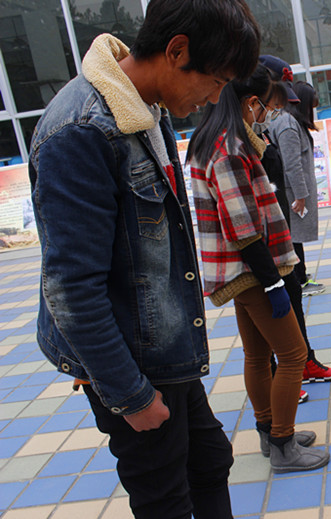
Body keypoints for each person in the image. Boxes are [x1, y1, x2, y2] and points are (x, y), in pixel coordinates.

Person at [27, 1, 259, 516]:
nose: (213, 98)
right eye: (216, 81)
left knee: (209, 461)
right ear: (177, 51)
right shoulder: (83, 131)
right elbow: (71, 287)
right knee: (163, 495)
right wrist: (130, 395)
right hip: (131, 359)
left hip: (162, 340)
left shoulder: (142, 107)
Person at [187, 62, 330, 473]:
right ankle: (284, 443)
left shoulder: (215, 141)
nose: (267, 113)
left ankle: (270, 432)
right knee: (293, 355)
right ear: (251, 103)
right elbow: (243, 228)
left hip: (242, 270)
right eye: (266, 105)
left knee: (257, 354)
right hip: (251, 270)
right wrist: (272, 284)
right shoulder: (228, 150)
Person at [254, 70, 331, 385]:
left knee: (288, 293)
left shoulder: (261, 129)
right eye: (269, 103)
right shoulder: (259, 132)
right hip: (272, 229)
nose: (272, 110)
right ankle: (290, 374)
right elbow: (289, 166)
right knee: (280, 301)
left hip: (274, 225)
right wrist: (300, 197)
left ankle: (297, 367)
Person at [261, 56, 325, 297]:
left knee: (292, 237)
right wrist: (300, 195)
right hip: (290, 194)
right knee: (292, 237)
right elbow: (292, 164)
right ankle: (299, 281)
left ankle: (300, 278)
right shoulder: (287, 123)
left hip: (289, 192)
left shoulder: (284, 120)